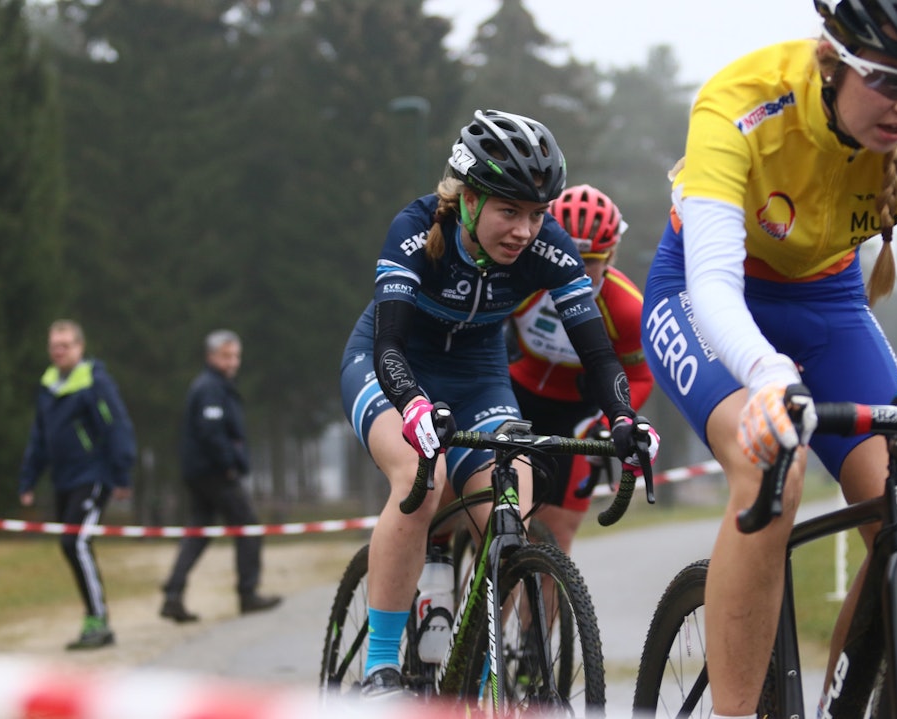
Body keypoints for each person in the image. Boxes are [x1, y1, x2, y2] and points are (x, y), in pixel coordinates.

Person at [640, 1, 897, 717]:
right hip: (710, 297)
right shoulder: (743, 101)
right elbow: (714, 285)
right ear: (833, 57)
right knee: (768, 472)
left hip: (829, 303)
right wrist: (769, 375)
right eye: (888, 81)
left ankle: (845, 701)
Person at [340, 109, 659, 698]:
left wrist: (624, 418)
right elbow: (388, 342)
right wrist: (412, 405)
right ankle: (379, 669)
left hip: (479, 376)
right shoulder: (414, 229)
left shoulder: (552, 250)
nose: (525, 231)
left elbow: (600, 354)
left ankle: (477, 668)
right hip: (391, 367)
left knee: (514, 503)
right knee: (420, 479)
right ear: (465, 197)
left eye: (537, 214)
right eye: (509, 211)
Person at [507, 183, 653, 553]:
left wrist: (607, 427)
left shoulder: (626, 309)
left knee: (554, 537)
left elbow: (639, 376)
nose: (575, 267)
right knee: (496, 522)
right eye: (566, 253)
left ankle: (536, 610)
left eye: (590, 262)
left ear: (611, 256)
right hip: (511, 393)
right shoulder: (522, 280)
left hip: (576, 415)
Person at [18, 319, 136, 650]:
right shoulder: (48, 386)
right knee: (69, 545)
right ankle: (94, 615)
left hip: (93, 475)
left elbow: (116, 426)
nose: (59, 351)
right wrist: (28, 479)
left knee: (76, 543)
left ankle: (98, 620)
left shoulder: (95, 382)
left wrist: (122, 473)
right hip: (63, 479)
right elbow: (39, 438)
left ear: (80, 348)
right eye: (54, 346)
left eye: (66, 345)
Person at [159, 330, 281, 622]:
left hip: (203, 472)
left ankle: (172, 595)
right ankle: (248, 594)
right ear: (211, 356)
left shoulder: (219, 386)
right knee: (249, 528)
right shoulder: (210, 388)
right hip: (214, 473)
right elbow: (211, 433)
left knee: (198, 532)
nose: (232, 361)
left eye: (235, 355)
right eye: (226, 355)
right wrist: (229, 464)